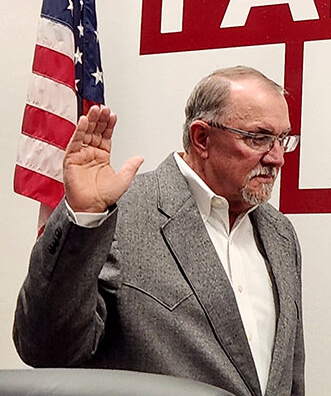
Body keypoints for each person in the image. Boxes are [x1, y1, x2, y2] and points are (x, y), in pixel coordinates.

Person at [14, 66, 304, 396]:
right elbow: (46, 348)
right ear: (202, 138)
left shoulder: (280, 233)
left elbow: (290, 375)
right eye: (258, 138)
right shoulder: (118, 214)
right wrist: (83, 218)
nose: (278, 157)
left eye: (283, 139)